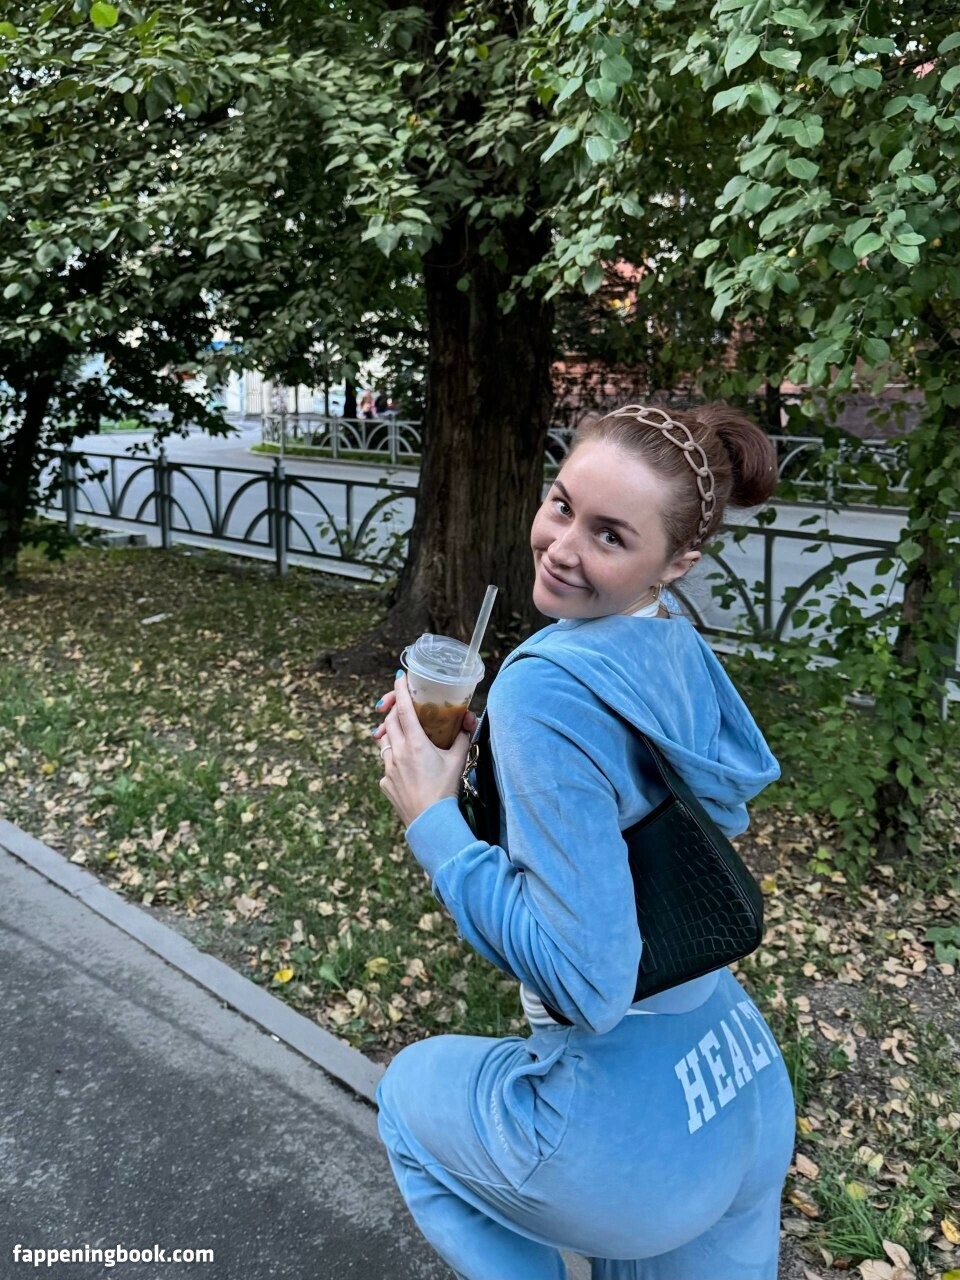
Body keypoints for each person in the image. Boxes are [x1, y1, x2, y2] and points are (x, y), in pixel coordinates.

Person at [371, 403, 794, 1280]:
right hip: (738, 1083)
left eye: (609, 535)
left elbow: (592, 983)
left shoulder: (545, 688)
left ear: (675, 562)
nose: (562, 546)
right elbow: (624, 815)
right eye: (561, 505)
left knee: (408, 1096)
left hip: (628, 1144)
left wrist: (432, 820)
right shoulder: (671, 644)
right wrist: (492, 767)